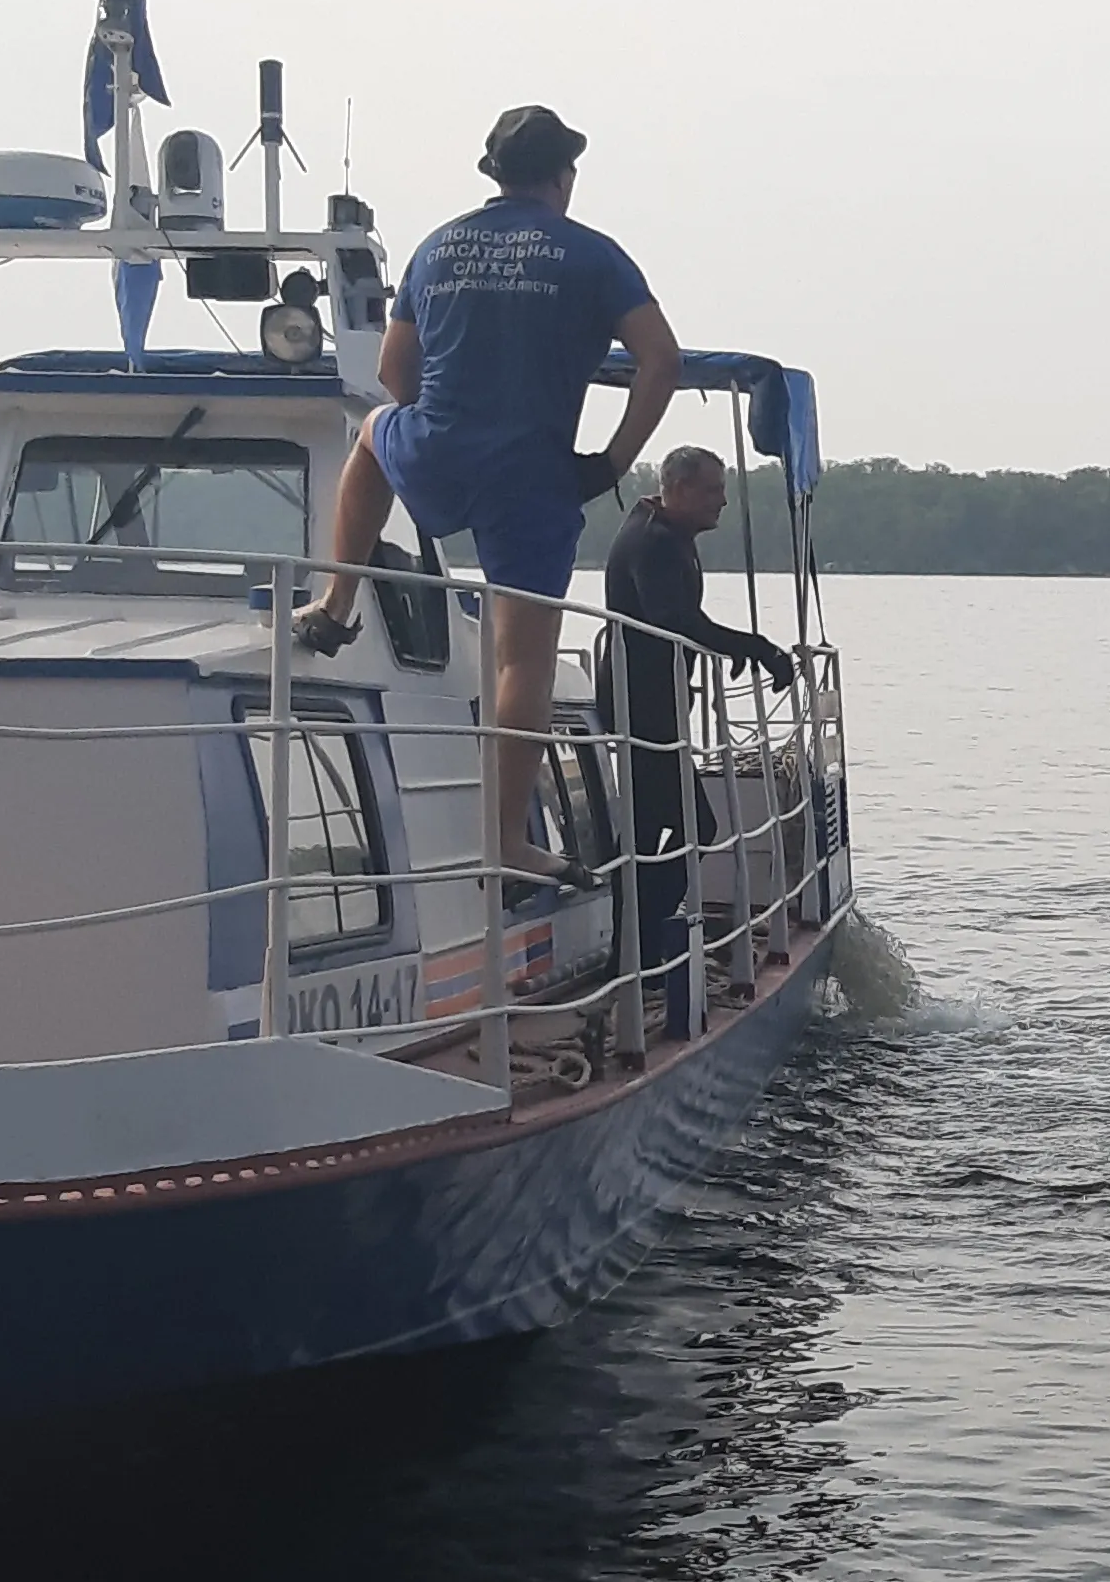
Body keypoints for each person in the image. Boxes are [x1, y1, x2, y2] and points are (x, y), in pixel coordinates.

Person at [297, 105, 680, 881]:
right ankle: (505, 837)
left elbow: (396, 375)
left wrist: (440, 418)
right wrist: (609, 462)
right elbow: (661, 361)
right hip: (533, 473)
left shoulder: (438, 247)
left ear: (494, 176)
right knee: (523, 659)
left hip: (440, 446)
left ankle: (336, 602)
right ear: (563, 177)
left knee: (374, 432)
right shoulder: (594, 256)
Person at [597, 444, 800, 1036]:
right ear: (680, 489)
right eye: (713, 490)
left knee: (654, 830)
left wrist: (735, 650)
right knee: (688, 828)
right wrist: (757, 649)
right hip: (643, 708)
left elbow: (677, 622)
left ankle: (637, 953)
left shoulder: (659, 532)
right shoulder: (655, 542)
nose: (722, 501)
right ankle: (639, 955)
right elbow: (677, 622)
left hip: (650, 699)